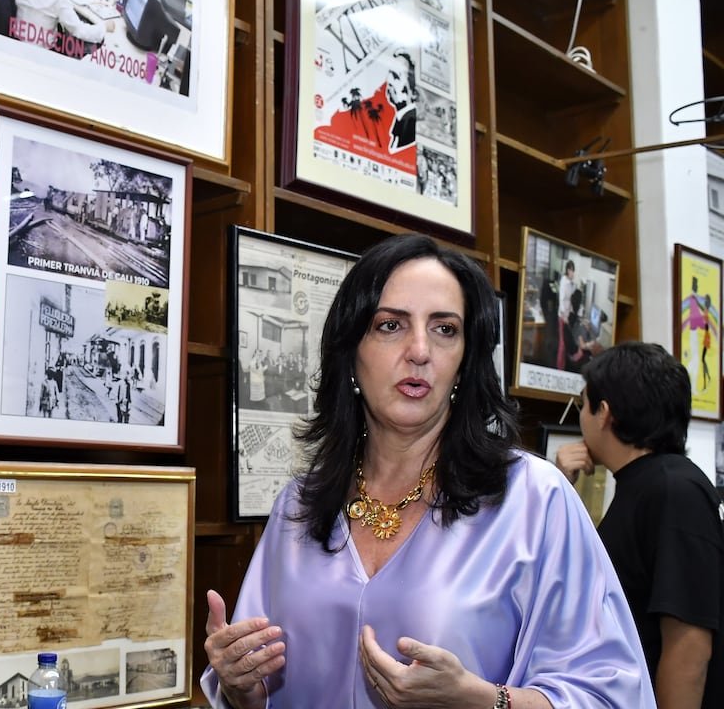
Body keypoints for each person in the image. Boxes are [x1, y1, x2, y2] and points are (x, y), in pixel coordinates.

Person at [201, 233, 653, 708]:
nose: (419, 350)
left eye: (444, 329)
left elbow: (611, 696)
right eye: (390, 325)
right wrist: (240, 685)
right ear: (350, 351)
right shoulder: (299, 504)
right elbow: (259, 689)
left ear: (464, 363)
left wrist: (482, 701)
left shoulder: (536, 500)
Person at [555, 341, 724, 708]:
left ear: (605, 413)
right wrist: (558, 486)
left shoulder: (673, 490)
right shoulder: (646, 483)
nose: (581, 416)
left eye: (584, 403)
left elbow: (689, 643)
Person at [13, 0, 115, 56]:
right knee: (88, 39)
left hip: (17, 41)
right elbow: (79, 30)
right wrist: (104, 27)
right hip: (43, 53)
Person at [385, 51, 418, 152]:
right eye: (391, 72)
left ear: (413, 91)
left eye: (396, 76)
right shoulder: (401, 122)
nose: (389, 80)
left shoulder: (411, 127)